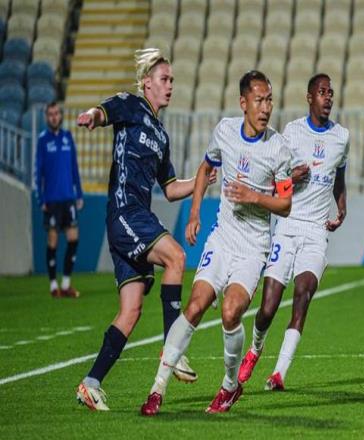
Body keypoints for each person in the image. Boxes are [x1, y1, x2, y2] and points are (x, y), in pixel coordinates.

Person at [140, 70, 293, 416]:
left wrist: (254, 196)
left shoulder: (279, 148)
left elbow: (285, 204)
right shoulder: (224, 131)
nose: (266, 107)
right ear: (243, 103)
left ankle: (229, 386)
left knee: (230, 311)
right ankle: (157, 389)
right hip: (222, 238)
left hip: (253, 248)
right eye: (259, 100)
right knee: (195, 306)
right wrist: (194, 213)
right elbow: (205, 167)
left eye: (269, 100)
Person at [75, 48, 216, 411]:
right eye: (164, 79)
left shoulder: (161, 135)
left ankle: (90, 383)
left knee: (131, 310)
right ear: (147, 83)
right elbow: (103, 111)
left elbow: (169, 189)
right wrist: (92, 116)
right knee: (176, 257)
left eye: (172, 80)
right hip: (126, 212)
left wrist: (201, 180)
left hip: (136, 217)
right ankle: (173, 348)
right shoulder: (131, 105)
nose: (170, 86)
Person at [238, 73, 349, 390]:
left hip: (315, 232)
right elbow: (276, 180)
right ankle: (256, 348)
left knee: (303, 296)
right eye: (322, 92)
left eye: (331, 92)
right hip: (287, 226)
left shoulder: (342, 137)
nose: (328, 97)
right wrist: (292, 178)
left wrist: (341, 207)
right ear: (309, 97)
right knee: (268, 307)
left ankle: (279, 374)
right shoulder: (292, 132)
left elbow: (339, 177)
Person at [35, 101, 83, 298]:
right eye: (50, 114)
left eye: (56, 113)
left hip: (68, 198)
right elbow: (38, 172)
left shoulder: (67, 137)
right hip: (52, 200)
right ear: (47, 117)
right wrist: (41, 199)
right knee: (53, 241)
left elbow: (74, 168)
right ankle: (53, 285)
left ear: (61, 116)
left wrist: (79, 194)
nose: (54, 117)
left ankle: (66, 284)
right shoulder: (43, 140)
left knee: (73, 239)